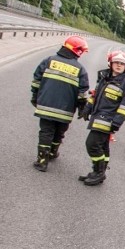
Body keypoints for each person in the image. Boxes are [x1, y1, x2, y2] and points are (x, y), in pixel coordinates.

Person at [30, 35, 90, 172]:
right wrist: (82, 108)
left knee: (46, 132)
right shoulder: (80, 70)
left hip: (45, 106)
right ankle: (52, 153)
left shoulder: (48, 61)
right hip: (66, 111)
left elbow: (36, 81)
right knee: (59, 132)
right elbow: (82, 93)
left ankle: (42, 161)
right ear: (78, 51)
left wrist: (35, 96)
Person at [78, 50, 125, 186]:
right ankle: (98, 172)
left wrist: (116, 122)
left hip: (108, 120)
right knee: (102, 146)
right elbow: (95, 95)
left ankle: (99, 172)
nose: (119, 65)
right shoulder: (105, 77)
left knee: (92, 144)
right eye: (116, 62)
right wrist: (87, 108)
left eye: (122, 64)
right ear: (110, 64)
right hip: (98, 117)